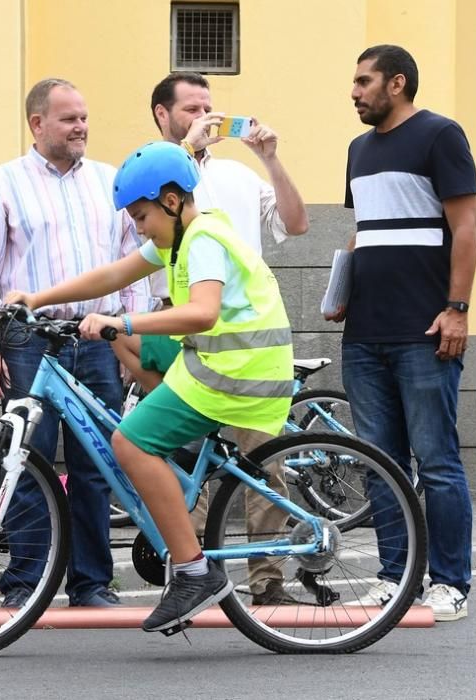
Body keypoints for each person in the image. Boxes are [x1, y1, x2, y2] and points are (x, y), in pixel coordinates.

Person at [6, 141, 295, 633]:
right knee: (148, 436)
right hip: (216, 366)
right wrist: (40, 297)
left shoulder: (202, 239)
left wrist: (124, 323)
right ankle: (185, 531)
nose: (138, 228)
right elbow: (115, 273)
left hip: (237, 374)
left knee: (130, 442)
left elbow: (203, 311)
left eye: (141, 216)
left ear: (171, 200)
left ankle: (193, 571)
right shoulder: (179, 238)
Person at [110, 71, 310, 606]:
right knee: (177, 456)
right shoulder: (153, 170)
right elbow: (126, 252)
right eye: (192, 108)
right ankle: (190, 571)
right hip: (176, 329)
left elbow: (296, 223)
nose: (206, 116)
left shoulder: (238, 179)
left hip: (237, 337)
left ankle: (265, 581)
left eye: (210, 106)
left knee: (263, 464)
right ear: (163, 115)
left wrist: (270, 157)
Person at [0, 78, 152, 608]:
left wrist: (131, 346)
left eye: (85, 117)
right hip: (30, 341)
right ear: (37, 124)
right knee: (27, 460)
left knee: (98, 463)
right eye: (69, 118)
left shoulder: (110, 183)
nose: (81, 127)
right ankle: (26, 584)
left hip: (97, 338)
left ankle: (91, 583)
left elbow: (131, 268)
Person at [325, 45, 476, 621]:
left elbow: (466, 227)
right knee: (380, 463)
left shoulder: (441, 135)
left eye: (364, 81)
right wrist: (340, 291)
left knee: (436, 461)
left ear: (397, 83)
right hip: (364, 333)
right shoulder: (357, 150)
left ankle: (450, 584)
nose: (355, 91)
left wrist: (457, 308)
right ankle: (396, 578)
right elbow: (363, 229)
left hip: (426, 330)